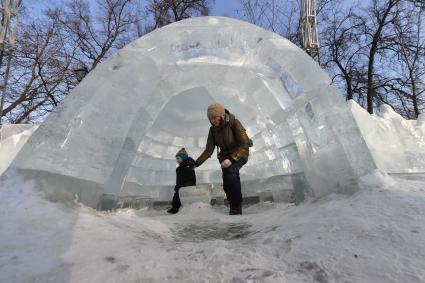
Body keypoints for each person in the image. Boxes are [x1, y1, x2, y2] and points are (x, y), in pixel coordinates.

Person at [195, 104, 250, 215]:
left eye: (215, 117)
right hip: (225, 157)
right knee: (227, 182)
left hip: (240, 153)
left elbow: (244, 144)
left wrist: (232, 159)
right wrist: (196, 163)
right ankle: (232, 202)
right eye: (211, 118)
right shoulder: (212, 130)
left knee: (231, 172)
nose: (213, 120)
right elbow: (209, 150)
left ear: (222, 115)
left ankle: (236, 206)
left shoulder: (234, 122)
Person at [167, 148, 196, 214]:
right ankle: (181, 207)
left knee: (177, 196)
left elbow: (180, 180)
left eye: (178, 158)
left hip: (184, 186)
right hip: (190, 185)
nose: (177, 160)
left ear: (183, 158)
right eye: (176, 159)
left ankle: (175, 208)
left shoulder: (181, 168)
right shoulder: (190, 165)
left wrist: (177, 187)